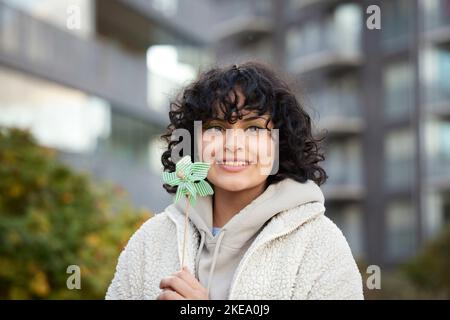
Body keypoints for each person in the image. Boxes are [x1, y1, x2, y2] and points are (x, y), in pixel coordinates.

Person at [105, 62, 364, 300]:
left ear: (280, 142)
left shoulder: (319, 244)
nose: (233, 145)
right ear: (194, 141)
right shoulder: (151, 240)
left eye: (253, 128)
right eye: (216, 127)